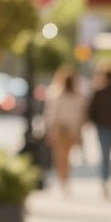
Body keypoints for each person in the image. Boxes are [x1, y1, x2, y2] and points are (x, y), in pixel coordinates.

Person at [42, 66, 87, 196]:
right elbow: (80, 116)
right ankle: (64, 179)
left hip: (61, 129)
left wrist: (50, 129)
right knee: (65, 157)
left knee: (60, 157)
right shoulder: (76, 96)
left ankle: (63, 179)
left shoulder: (57, 94)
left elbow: (51, 115)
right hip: (69, 129)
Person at [85, 68, 111, 199]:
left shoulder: (100, 91)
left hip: (103, 126)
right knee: (107, 152)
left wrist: (94, 121)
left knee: (104, 153)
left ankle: (105, 179)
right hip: (110, 125)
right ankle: (106, 178)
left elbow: (91, 109)